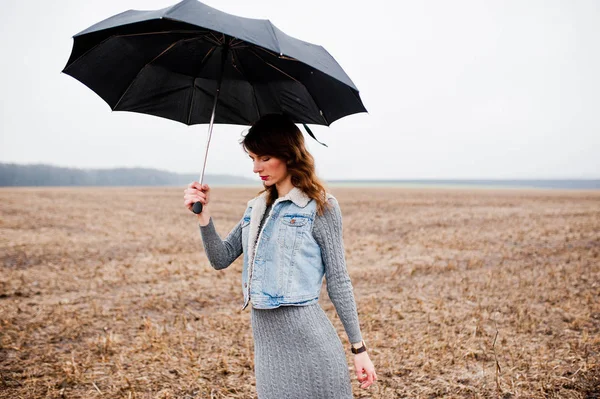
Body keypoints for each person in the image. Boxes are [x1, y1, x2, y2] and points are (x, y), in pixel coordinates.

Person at [183, 114, 376, 398]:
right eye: (252, 158)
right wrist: (203, 216)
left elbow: (339, 281)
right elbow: (220, 258)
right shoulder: (256, 207)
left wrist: (359, 349)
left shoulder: (320, 206)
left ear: (288, 155)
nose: (256, 168)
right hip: (269, 352)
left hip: (312, 345)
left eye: (264, 157)